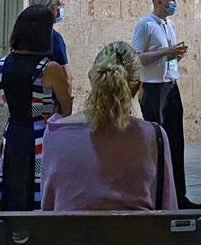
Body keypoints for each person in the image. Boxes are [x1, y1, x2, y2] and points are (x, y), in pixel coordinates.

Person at [40, 42, 178, 210]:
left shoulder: (55, 132)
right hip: (137, 235)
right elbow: (168, 209)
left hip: (71, 235)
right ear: (136, 88)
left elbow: (48, 206)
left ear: (92, 79)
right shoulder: (153, 136)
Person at [0, 6, 73, 210]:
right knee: (36, 195)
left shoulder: (3, 63)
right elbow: (66, 107)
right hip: (40, 136)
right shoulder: (49, 68)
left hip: (12, 133)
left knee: (14, 193)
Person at [131, 0, 201, 209]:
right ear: (159, 2)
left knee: (175, 141)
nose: (174, 2)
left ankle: (178, 195)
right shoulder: (146, 25)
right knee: (157, 142)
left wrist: (175, 55)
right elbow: (136, 57)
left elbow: (168, 55)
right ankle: (156, 194)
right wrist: (165, 52)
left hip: (171, 85)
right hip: (153, 90)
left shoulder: (170, 25)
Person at [29, 0, 70, 78]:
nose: (61, 9)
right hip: (46, 89)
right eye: (59, 5)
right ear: (49, 8)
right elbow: (65, 77)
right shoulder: (53, 37)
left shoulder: (23, 33)